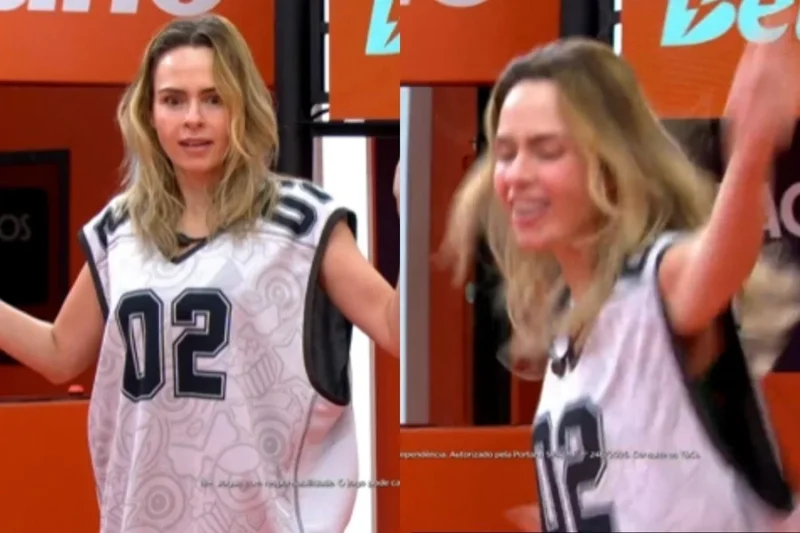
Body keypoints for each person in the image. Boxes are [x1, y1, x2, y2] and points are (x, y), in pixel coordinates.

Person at [0, 14, 398, 533]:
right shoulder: (120, 229)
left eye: (213, 99)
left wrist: (416, 215)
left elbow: (394, 327)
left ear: (243, 107)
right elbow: (59, 353)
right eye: (173, 100)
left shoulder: (302, 222)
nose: (193, 118)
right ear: (148, 114)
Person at [441, 35, 800, 532]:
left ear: (609, 163)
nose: (516, 174)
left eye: (546, 151)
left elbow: (724, 255)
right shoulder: (569, 320)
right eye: (506, 153)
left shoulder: (658, 281)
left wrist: (752, 148)